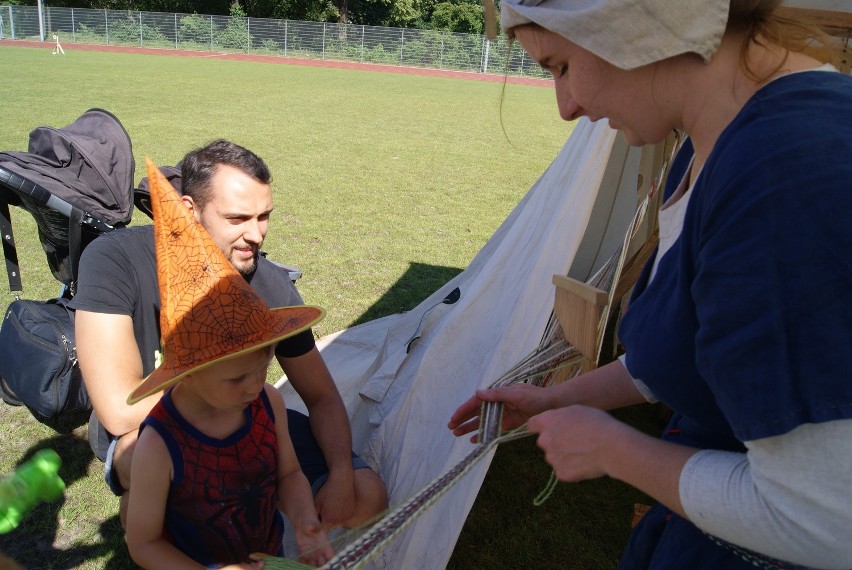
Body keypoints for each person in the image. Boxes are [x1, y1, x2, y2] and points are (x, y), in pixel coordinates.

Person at [448, 1, 852, 568]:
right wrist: (558, 398)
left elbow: (825, 519)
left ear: (630, 20)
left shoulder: (783, 173)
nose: (567, 108)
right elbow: (689, 350)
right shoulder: (713, 141)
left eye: (561, 65)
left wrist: (616, 449)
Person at [71, 140, 387, 529]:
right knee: (200, 483)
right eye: (238, 219)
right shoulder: (116, 259)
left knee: (367, 494)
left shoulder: (270, 284)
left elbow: (321, 396)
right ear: (189, 210)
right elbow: (120, 412)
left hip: (243, 414)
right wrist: (218, 384)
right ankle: (160, 517)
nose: (256, 235)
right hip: (147, 432)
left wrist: (339, 475)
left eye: (264, 216)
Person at [125, 160, 333, 568]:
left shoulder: (268, 403)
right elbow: (144, 543)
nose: (256, 385)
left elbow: (289, 475)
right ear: (188, 370)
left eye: (263, 367)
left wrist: (306, 520)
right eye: (238, 377)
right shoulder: (157, 443)